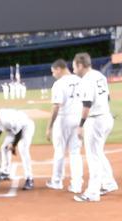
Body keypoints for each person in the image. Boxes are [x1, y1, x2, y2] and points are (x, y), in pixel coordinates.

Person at [72, 52, 118, 202]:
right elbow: (108, 98)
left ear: (80, 65)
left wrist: (80, 125)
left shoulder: (86, 80)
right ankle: (109, 182)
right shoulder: (99, 75)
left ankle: (92, 193)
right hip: (106, 117)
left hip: (95, 121)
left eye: (74, 66)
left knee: (93, 157)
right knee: (98, 152)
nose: (73, 69)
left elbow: (87, 104)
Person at [45, 59, 83, 193]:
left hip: (63, 119)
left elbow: (56, 106)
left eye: (53, 71)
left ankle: (56, 181)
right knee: (75, 153)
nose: (53, 74)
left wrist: (49, 127)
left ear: (59, 69)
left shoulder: (59, 84)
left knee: (60, 151)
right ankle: (77, 185)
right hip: (78, 118)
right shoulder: (80, 80)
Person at [0, 108, 35, 189]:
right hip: (14, 130)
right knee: (4, 148)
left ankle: (29, 178)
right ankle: (5, 172)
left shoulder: (6, 119)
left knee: (23, 148)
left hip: (26, 127)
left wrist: (13, 145)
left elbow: (19, 132)